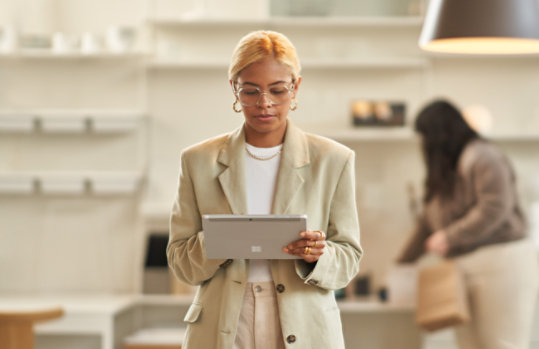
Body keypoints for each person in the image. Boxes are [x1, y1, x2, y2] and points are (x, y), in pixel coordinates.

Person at [167, 30, 362, 349]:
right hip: (223, 321)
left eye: (277, 90)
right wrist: (219, 239)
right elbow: (179, 261)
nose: (264, 103)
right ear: (234, 88)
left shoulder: (334, 160)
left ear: (296, 87)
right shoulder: (197, 161)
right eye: (251, 91)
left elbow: (349, 258)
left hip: (305, 323)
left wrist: (318, 255)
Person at [398, 99, 539, 349]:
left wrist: (449, 237)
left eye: (424, 136)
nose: (423, 144)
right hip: (465, 267)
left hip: (502, 262)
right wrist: (400, 265)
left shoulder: (483, 156)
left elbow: (494, 207)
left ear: (438, 135)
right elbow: (427, 223)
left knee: (503, 344)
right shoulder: (447, 170)